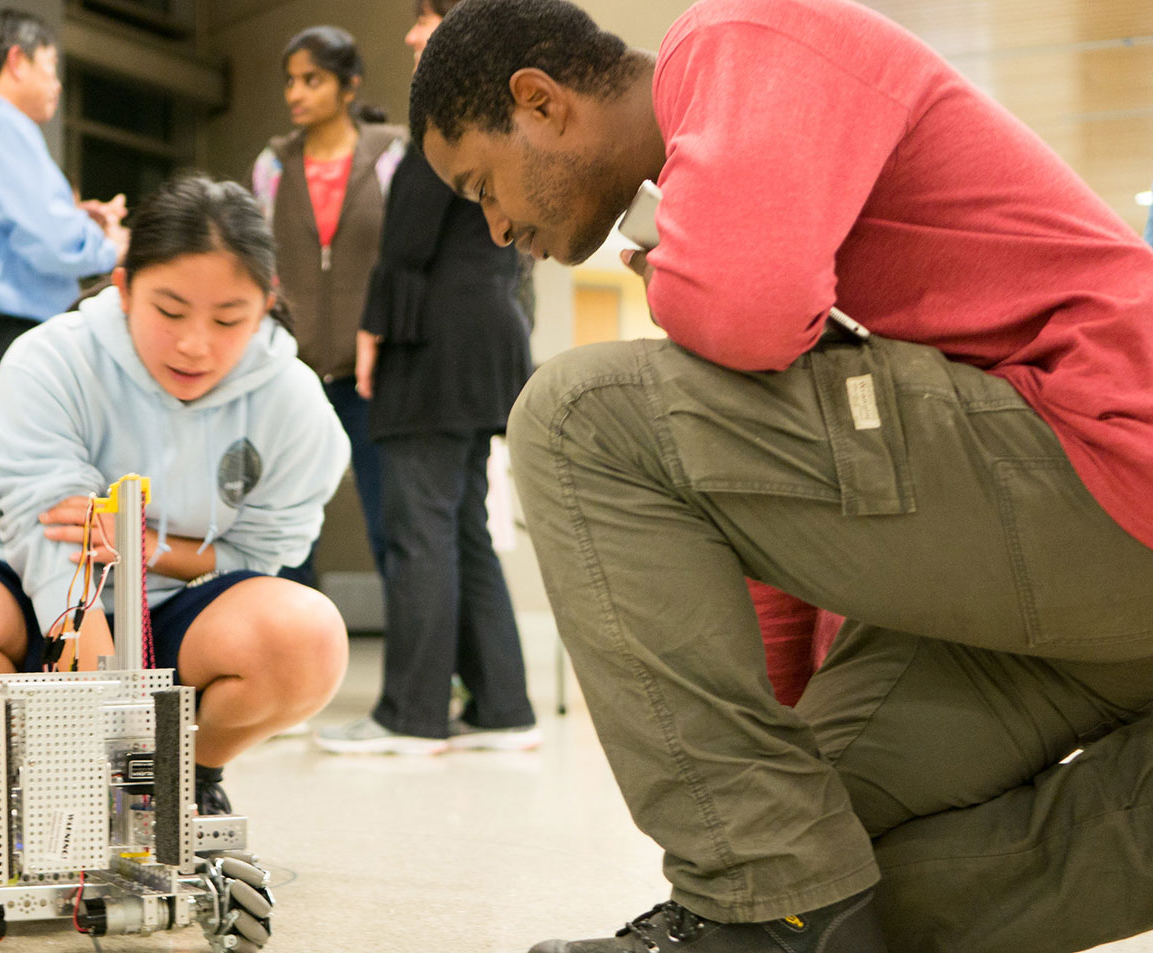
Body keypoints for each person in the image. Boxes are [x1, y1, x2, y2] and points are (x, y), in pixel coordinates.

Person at [410, 0, 1153, 951]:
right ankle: (774, 920)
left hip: (1097, 450)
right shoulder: (729, 178)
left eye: (483, 186)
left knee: (574, 416)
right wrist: (762, 814)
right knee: (822, 855)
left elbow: (751, 312)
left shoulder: (741, 36)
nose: (497, 226)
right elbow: (776, 483)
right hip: (1070, 560)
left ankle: (750, 917)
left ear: (540, 103)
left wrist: (679, 269)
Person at [0, 175, 351, 816]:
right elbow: (50, 539)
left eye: (229, 319)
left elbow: (263, 554)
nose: (195, 344)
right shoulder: (51, 360)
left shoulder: (294, 404)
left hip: (181, 613)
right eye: (170, 311)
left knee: (308, 636)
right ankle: (12, 766)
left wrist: (146, 548)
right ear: (123, 289)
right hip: (32, 596)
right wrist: (90, 724)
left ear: (266, 304)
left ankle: (188, 773)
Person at [314, 0, 537, 755]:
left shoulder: (448, 117)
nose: (413, 34)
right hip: (488, 345)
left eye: (431, 17)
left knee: (420, 532)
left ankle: (411, 716)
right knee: (462, 530)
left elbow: (403, 250)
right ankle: (505, 708)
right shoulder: (509, 118)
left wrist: (371, 334)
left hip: (434, 346)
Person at [0, 8, 130, 509]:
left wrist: (75, 216)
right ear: (17, 61)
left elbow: (1, 234)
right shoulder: (2, 129)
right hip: (6, 343)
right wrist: (108, 246)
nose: (55, 84)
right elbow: (51, 242)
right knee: (33, 509)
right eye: (50, 67)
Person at [252, 25, 407, 584]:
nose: (295, 92)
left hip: (372, 375)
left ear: (349, 86)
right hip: (293, 374)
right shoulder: (272, 166)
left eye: (311, 80)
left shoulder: (391, 156)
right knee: (291, 532)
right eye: (290, 81)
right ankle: (299, 660)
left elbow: (403, 258)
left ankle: (418, 669)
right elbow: (262, 267)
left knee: (391, 528)